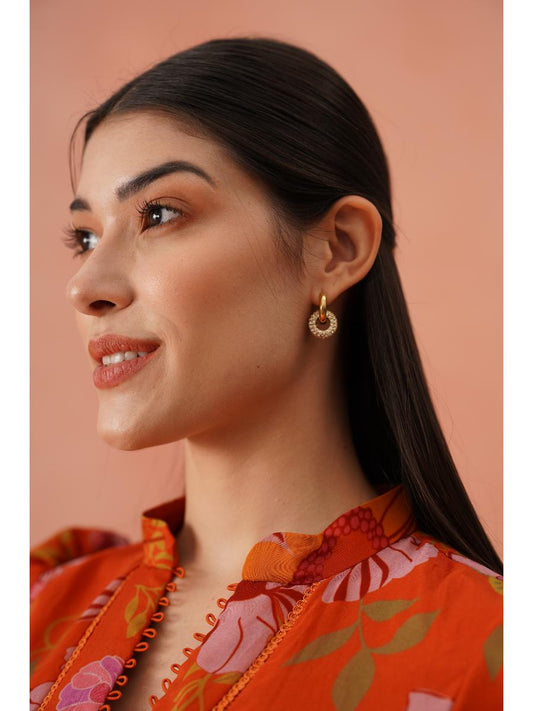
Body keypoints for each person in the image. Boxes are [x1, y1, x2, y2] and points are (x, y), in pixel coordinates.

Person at [30, 37, 503, 711]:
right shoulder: (34, 606)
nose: (85, 286)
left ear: (336, 249)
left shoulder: (491, 652)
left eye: (158, 214)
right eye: (84, 237)